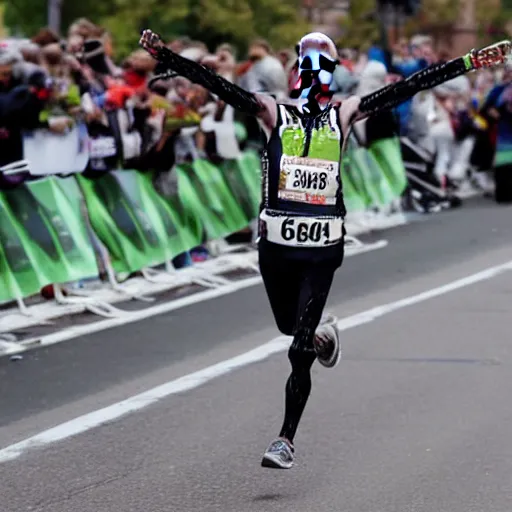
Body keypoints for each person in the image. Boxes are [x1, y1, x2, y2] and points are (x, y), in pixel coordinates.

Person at [139, 29, 507, 469]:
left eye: (323, 60)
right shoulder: (272, 111)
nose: (314, 69)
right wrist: (167, 56)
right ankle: (320, 335)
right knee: (288, 328)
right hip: (276, 244)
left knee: (297, 352)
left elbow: (409, 86)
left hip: (321, 245)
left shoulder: (344, 113)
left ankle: (285, 440)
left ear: (332, 71)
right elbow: (216, 84)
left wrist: (468, 63)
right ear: (297, 68)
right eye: (308, 60)